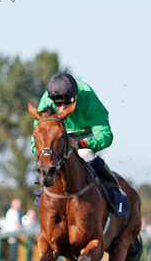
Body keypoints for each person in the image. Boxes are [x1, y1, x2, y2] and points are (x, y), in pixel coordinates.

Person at [34, 73, 127, 215]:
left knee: (86, 154)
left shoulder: (88, 97)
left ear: (76, 97)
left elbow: (106, 136)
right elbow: (38, 133)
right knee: (49, 158)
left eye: (67, 102)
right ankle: (42, 194)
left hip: (85, 135)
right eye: (58, 103)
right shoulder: (46, 100)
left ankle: (113, 191)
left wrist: (82, 143)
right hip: (59, 134)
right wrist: (39, 152)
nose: (63, 108)